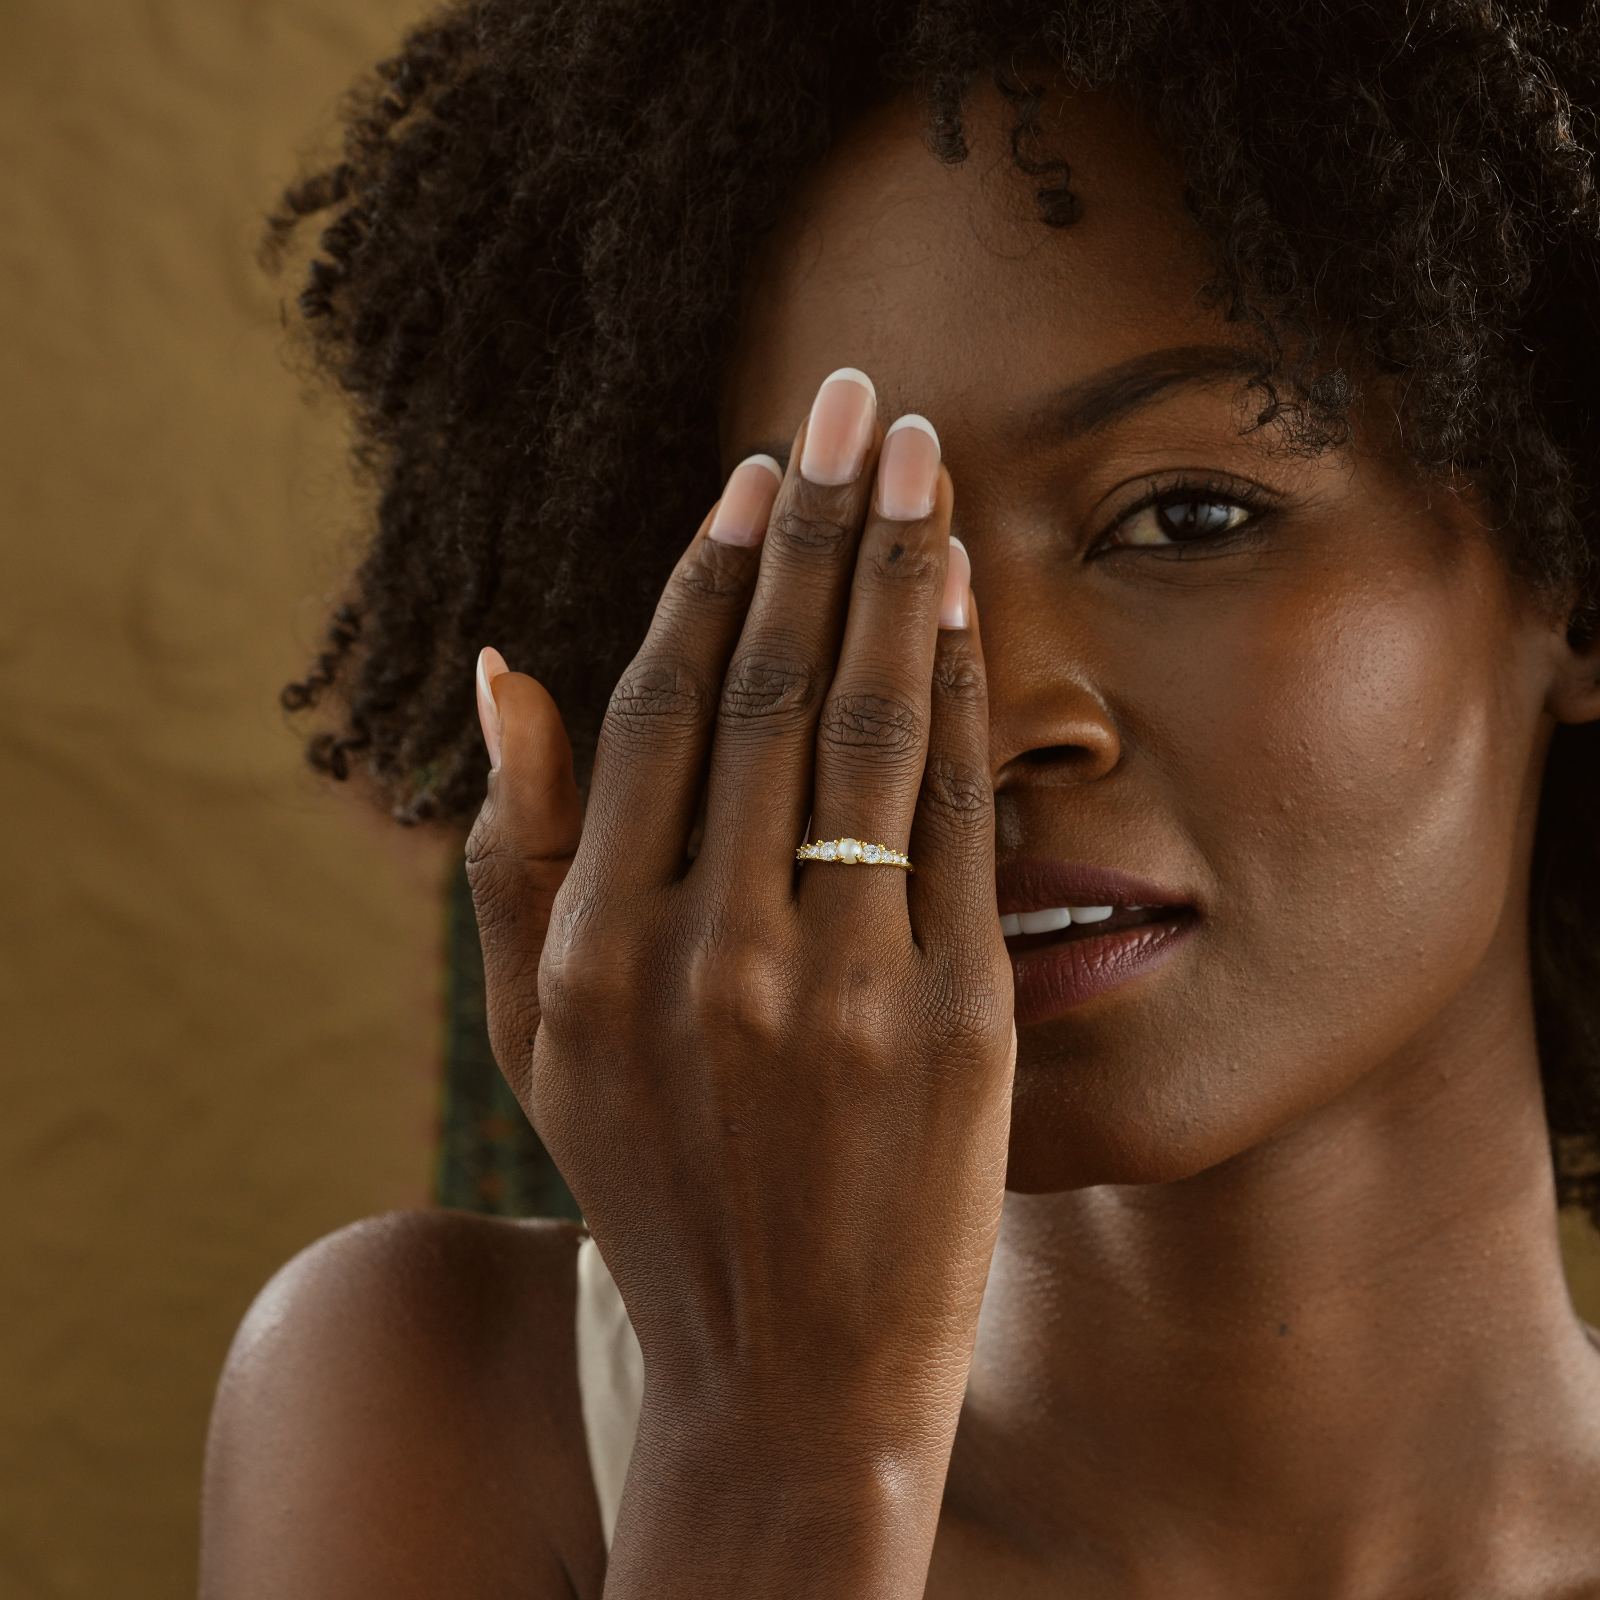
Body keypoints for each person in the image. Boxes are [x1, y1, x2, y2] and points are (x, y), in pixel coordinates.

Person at [200, 2, 1600, 1595]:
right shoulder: (447, 1407)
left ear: (1574, 575)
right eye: (840, 570)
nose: (985, 720)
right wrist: (782, 1444)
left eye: (1188, 514)